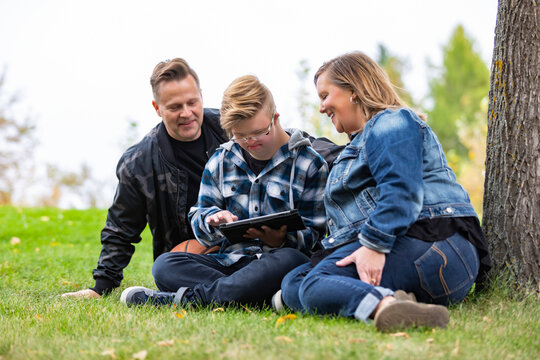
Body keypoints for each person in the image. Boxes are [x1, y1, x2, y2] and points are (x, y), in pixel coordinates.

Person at [277, 51, 491, 332]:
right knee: (295, 282)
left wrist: (374, 245)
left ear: (353, 90)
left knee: (313, 285)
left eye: (325, 95)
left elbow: (401, 191)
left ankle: (386, 308)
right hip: (416, 252)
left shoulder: (390, 121)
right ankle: (401, 301)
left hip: (438, 246)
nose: (322, 107)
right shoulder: (357, 146)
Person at [120, 74, 329, 307]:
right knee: (165, 265)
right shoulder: (221, 160)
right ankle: (258, 297)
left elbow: (315, 235)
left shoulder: (310, 164)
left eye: (259, 133)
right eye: (241, 137)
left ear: (275, 118)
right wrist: (211, 220)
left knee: (293, 260)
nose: (251, 143)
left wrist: (281, 240)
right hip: (231, 262)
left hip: (279, 261)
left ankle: (186, 300)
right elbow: (199, 215)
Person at [62, 58, 229, 299]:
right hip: (192, 261)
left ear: (201, 96)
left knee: (285, 257)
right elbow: (121, 228)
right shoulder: (139, 162)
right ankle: (251, 286)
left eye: (192, 102)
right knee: (164, 268)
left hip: (249, 245)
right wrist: (101, 287)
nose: (186, 113)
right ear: (157, 107)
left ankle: (226, 289)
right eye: (174, 107)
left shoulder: (232, 128)